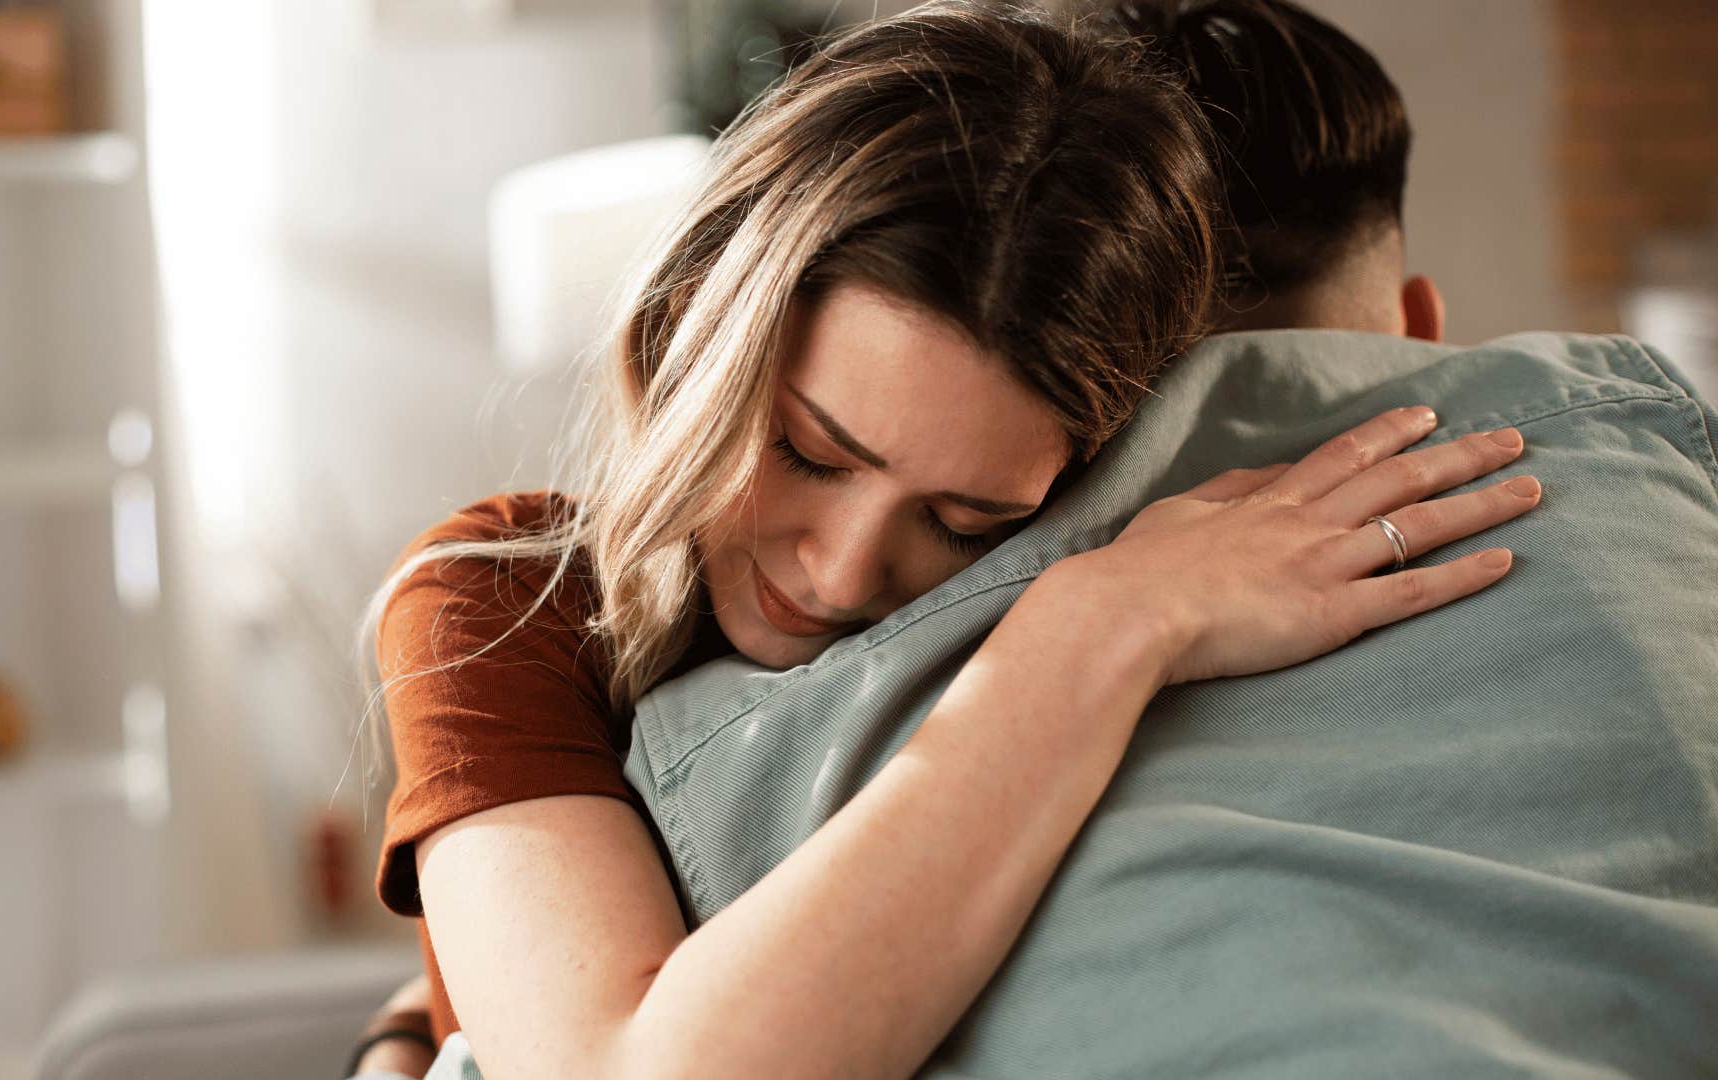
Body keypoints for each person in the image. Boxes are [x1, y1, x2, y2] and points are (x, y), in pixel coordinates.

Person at [347, 2, 1545, 1077]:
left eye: (967, 522)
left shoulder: (1108, 535)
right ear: (695, 325)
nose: (847, 569)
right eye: (809, 452)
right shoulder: (499, 596)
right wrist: (1104, 622)